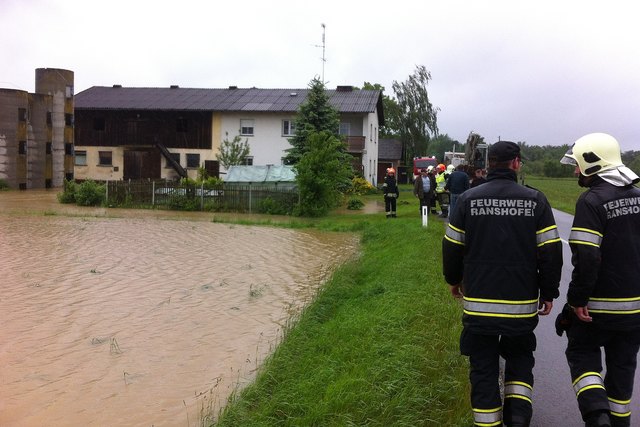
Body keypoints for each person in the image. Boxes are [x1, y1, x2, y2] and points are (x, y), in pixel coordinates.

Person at [442, 140, 563, 427]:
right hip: (520, 307)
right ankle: (518, 421)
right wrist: (548, 292)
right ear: (517, 163)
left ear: (488, 165)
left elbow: (451, 246)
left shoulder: (469, 199)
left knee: (483, 369)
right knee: (520, 362)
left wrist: (453, 280)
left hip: (479, 307)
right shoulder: (536, 201)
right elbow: (551, 251)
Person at [557, 133, 640, 427]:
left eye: (578, 164)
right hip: (634, 313)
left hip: (596, 310)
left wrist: (576, 300)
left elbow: (588, 258)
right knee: (622, 377)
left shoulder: (592, 201)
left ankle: (597, 418)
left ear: (593, 162)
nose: (575, 170)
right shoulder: (639, 197)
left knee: (581, 354)